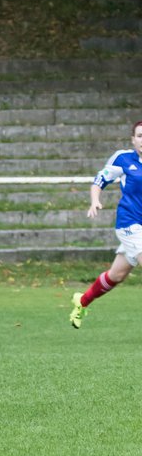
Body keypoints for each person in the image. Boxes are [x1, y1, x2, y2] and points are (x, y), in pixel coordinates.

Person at [71, 119, 142, 328]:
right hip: (130, 224)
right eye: (140, 136)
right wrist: (95, 200)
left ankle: (82, 301)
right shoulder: (123, 158)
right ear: (133, 139)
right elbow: (100, 179)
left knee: (117, 275)